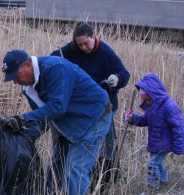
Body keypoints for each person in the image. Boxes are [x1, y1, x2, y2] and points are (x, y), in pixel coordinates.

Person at [0, 49, 112, 195]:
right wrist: (25, 135)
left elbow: (57, 107)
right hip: (68, 123)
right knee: (56, 167)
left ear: (28, 65)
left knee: (76, 169)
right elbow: (43, 116)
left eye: (16, 75)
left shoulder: (55, 68)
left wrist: (22, 119)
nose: (15, 81)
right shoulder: (28, 88)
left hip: (94, 117)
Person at [51, 22, 130, 185]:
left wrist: (117, 79)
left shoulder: (105, 52)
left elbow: (124, 73)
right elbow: (52, 59)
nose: (83, 48)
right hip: (82, 108)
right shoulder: (72, 49)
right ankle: (76, 178)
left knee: (104, 146)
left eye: (86, 43)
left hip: (105, 108)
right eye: (79, 44)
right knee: (81, 144)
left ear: (93, 38)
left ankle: (106, 179)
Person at [125, 73, 184, 189]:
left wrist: (179, 146)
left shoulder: (169, 106)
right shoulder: (153, 107)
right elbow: (145, 120)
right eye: (145, 100)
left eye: (148, 99)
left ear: (154, 94)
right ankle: (164, 182)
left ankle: (153, 188)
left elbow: (179, 127)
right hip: (156, 143)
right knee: (157, 163)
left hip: (164, 144)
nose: (147, 102)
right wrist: (132, 118)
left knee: (153, 164)